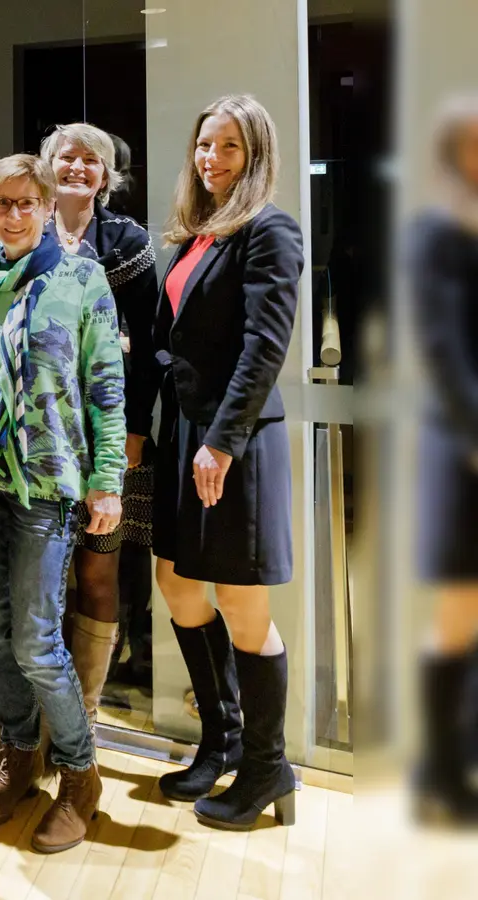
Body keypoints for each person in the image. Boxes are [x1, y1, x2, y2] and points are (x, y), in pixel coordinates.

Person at [0, 153, 125, 854]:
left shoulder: (80, 277)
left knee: (39, 637)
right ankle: (18, 755)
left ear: (45, 206)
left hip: (48, 482)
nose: (12, 215)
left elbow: (106, 386)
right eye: (1, 204)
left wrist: (108, 480)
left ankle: (80, 774)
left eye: (24, 203)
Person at [148, 94, 304, 830]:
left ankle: (271, 769)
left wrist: (221, 442)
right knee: (176, 583)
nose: (213, 159)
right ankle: (225, 739)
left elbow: (265, 348)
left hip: (233, 440)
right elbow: (176, 336)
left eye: (230, 148)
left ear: (255, 157)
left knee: (243, 606)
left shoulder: (270, 230)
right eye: (206, 145)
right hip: (187, 432)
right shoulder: (198, 235)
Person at [38, 123, 160, 732]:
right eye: (67, 158)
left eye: (92, 161)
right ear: (47, 167)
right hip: (40, 439)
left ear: (107, 176)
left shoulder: (129, 243)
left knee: (98, 567)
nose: (78, 168)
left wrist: (135, 432)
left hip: (110, 438)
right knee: (46, 575)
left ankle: (83, 713)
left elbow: (149, 346)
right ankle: (47, 712)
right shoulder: (26, 232)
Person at [408, 94, 478, 824]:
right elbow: (442, 349)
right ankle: (440, 768)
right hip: (461, 448)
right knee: (459, 610)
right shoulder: (435, 232)